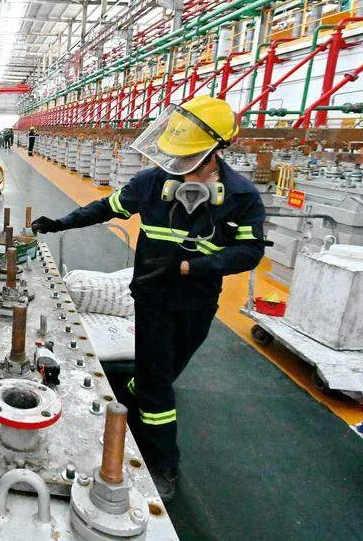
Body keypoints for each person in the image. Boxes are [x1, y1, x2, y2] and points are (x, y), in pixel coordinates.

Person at [30, 96, 265, 502]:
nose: (177, 164)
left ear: (215, 150)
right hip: (152, 297)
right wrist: (61, 222)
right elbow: (108, 207)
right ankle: (163, 463)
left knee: (167, 372)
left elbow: (249, 251)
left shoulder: (241, 196)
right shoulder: (151, 183)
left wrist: (190, 267)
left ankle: (136, 391)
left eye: (188, 155)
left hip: (197, 303)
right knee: (159, 387)